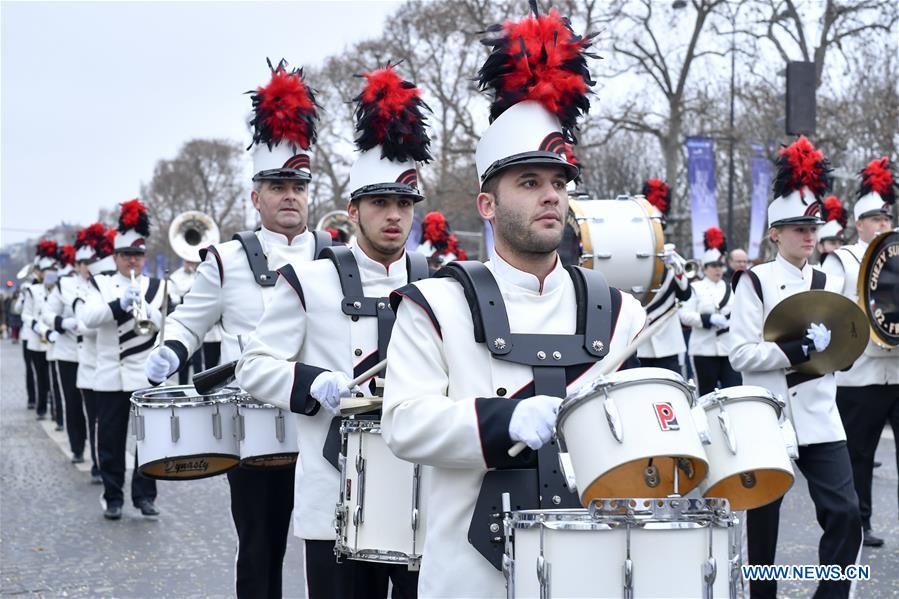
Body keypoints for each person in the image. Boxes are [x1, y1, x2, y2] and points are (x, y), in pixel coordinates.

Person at [380, 9, 646, 596]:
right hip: (467, 578)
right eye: (529, 183)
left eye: (558, 182)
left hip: (589, 572)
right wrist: (504, 420)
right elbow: (403, 424)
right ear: (487, 205)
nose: (550, 195)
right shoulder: (434, 305)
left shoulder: (622, 313)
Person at [237, 64, 434, 599]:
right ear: (353, 211)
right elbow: (253, 366)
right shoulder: (307, 280)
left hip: (423, 496)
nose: (394, 216)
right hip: (333, 498)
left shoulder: (438, 285)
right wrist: (311, 383)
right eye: (380, 203)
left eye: (403, 204)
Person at [144, 60, 328, 599]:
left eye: (297, 184)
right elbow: (189, 320)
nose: (289, 195)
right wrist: (171, 348)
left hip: (325, 425)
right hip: (255, 431)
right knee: (261, 547)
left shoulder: (334, 256)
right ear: (256, 196)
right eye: (276, 185)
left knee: (333, 547)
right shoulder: (225, 260)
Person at [728, 136, 861, 599]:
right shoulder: (754, 282)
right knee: (763, 526)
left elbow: (842, 339)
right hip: (770, 417)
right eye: (798, 228)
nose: (809, 235)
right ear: (774, 234)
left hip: (822, 416)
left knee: (845, 513)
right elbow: (740, 353)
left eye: (813, 227)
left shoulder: (829, 278)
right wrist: (790, 350)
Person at [821, 157, 898, 548]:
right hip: (862, 373)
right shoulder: (843, 258)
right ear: (858, 223)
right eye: (874, 219)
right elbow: (829, 305)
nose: (882, 225)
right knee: (859, 457)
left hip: (898, 371)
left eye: (886, 218)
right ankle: (862, 523)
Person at [80, 199, 166, 520]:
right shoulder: (99, 284)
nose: (133, 261)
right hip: (110, 378)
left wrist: (146, 305)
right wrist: (118, 305)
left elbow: (165, 324)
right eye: (127, 255)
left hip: (144, 377)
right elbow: (88, 318)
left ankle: (145, 496)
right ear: (115, 257)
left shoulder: (156, 286)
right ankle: (113, 497)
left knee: (149, 442)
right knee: (111, 443)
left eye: (138, 255)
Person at [73, 223, 117, 484]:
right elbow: (84, 326)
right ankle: (97, 464)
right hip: (91, 367)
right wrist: (113, 312)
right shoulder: (87, 291)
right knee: (96, 423)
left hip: (114, 367)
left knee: (111, 424)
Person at [636, 178, 692, 374]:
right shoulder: (631, 259)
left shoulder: (673, 257)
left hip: (668, 341)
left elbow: (685, 294)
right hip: (639, 342)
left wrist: (676, 268)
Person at [680, 227, 740, 396]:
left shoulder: (731, 287)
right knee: (706, 395)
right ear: (705, 268)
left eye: (720, 265)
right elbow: (684, 315)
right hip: (703, 350)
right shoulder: (695, 287)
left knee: (734, 392)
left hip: (729, 349)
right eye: (713, 266)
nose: (718, 269)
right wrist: (708, 319)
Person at [42, 243, 86, 457]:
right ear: (77, 265)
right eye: (84, 263)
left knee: (97, 408)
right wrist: (62, 322)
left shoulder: (104, 283)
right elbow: (47, 313)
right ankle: (77, 446)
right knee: (73, 402)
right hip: (68, 352)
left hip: (93, 353)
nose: (88, 267)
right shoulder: (64, 284)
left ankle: (98, 456)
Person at [167, 258, 222, 383]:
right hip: (185, 319)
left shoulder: (201, 273)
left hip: (206, 328)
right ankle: (182, 388)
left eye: (192, 262)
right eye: (187, 262)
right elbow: (175, 298)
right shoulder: (176, 277)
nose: (189, 264)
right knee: (183, 361)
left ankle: (200, 387)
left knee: (200, 362)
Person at [21, 240, 58, 419]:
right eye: (46, 271)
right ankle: (41, 408)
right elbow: (26, 314)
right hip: (37, 340)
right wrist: (36, 326)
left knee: (56, 378)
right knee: (41, 377)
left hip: (55, 338)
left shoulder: (60, 289)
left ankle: (57, 412)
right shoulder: (32, 290)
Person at [815, 195, 847, 264]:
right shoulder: (810, 274)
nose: (838, 248)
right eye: (832, 243)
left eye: (841, 244)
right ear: (820, 247)